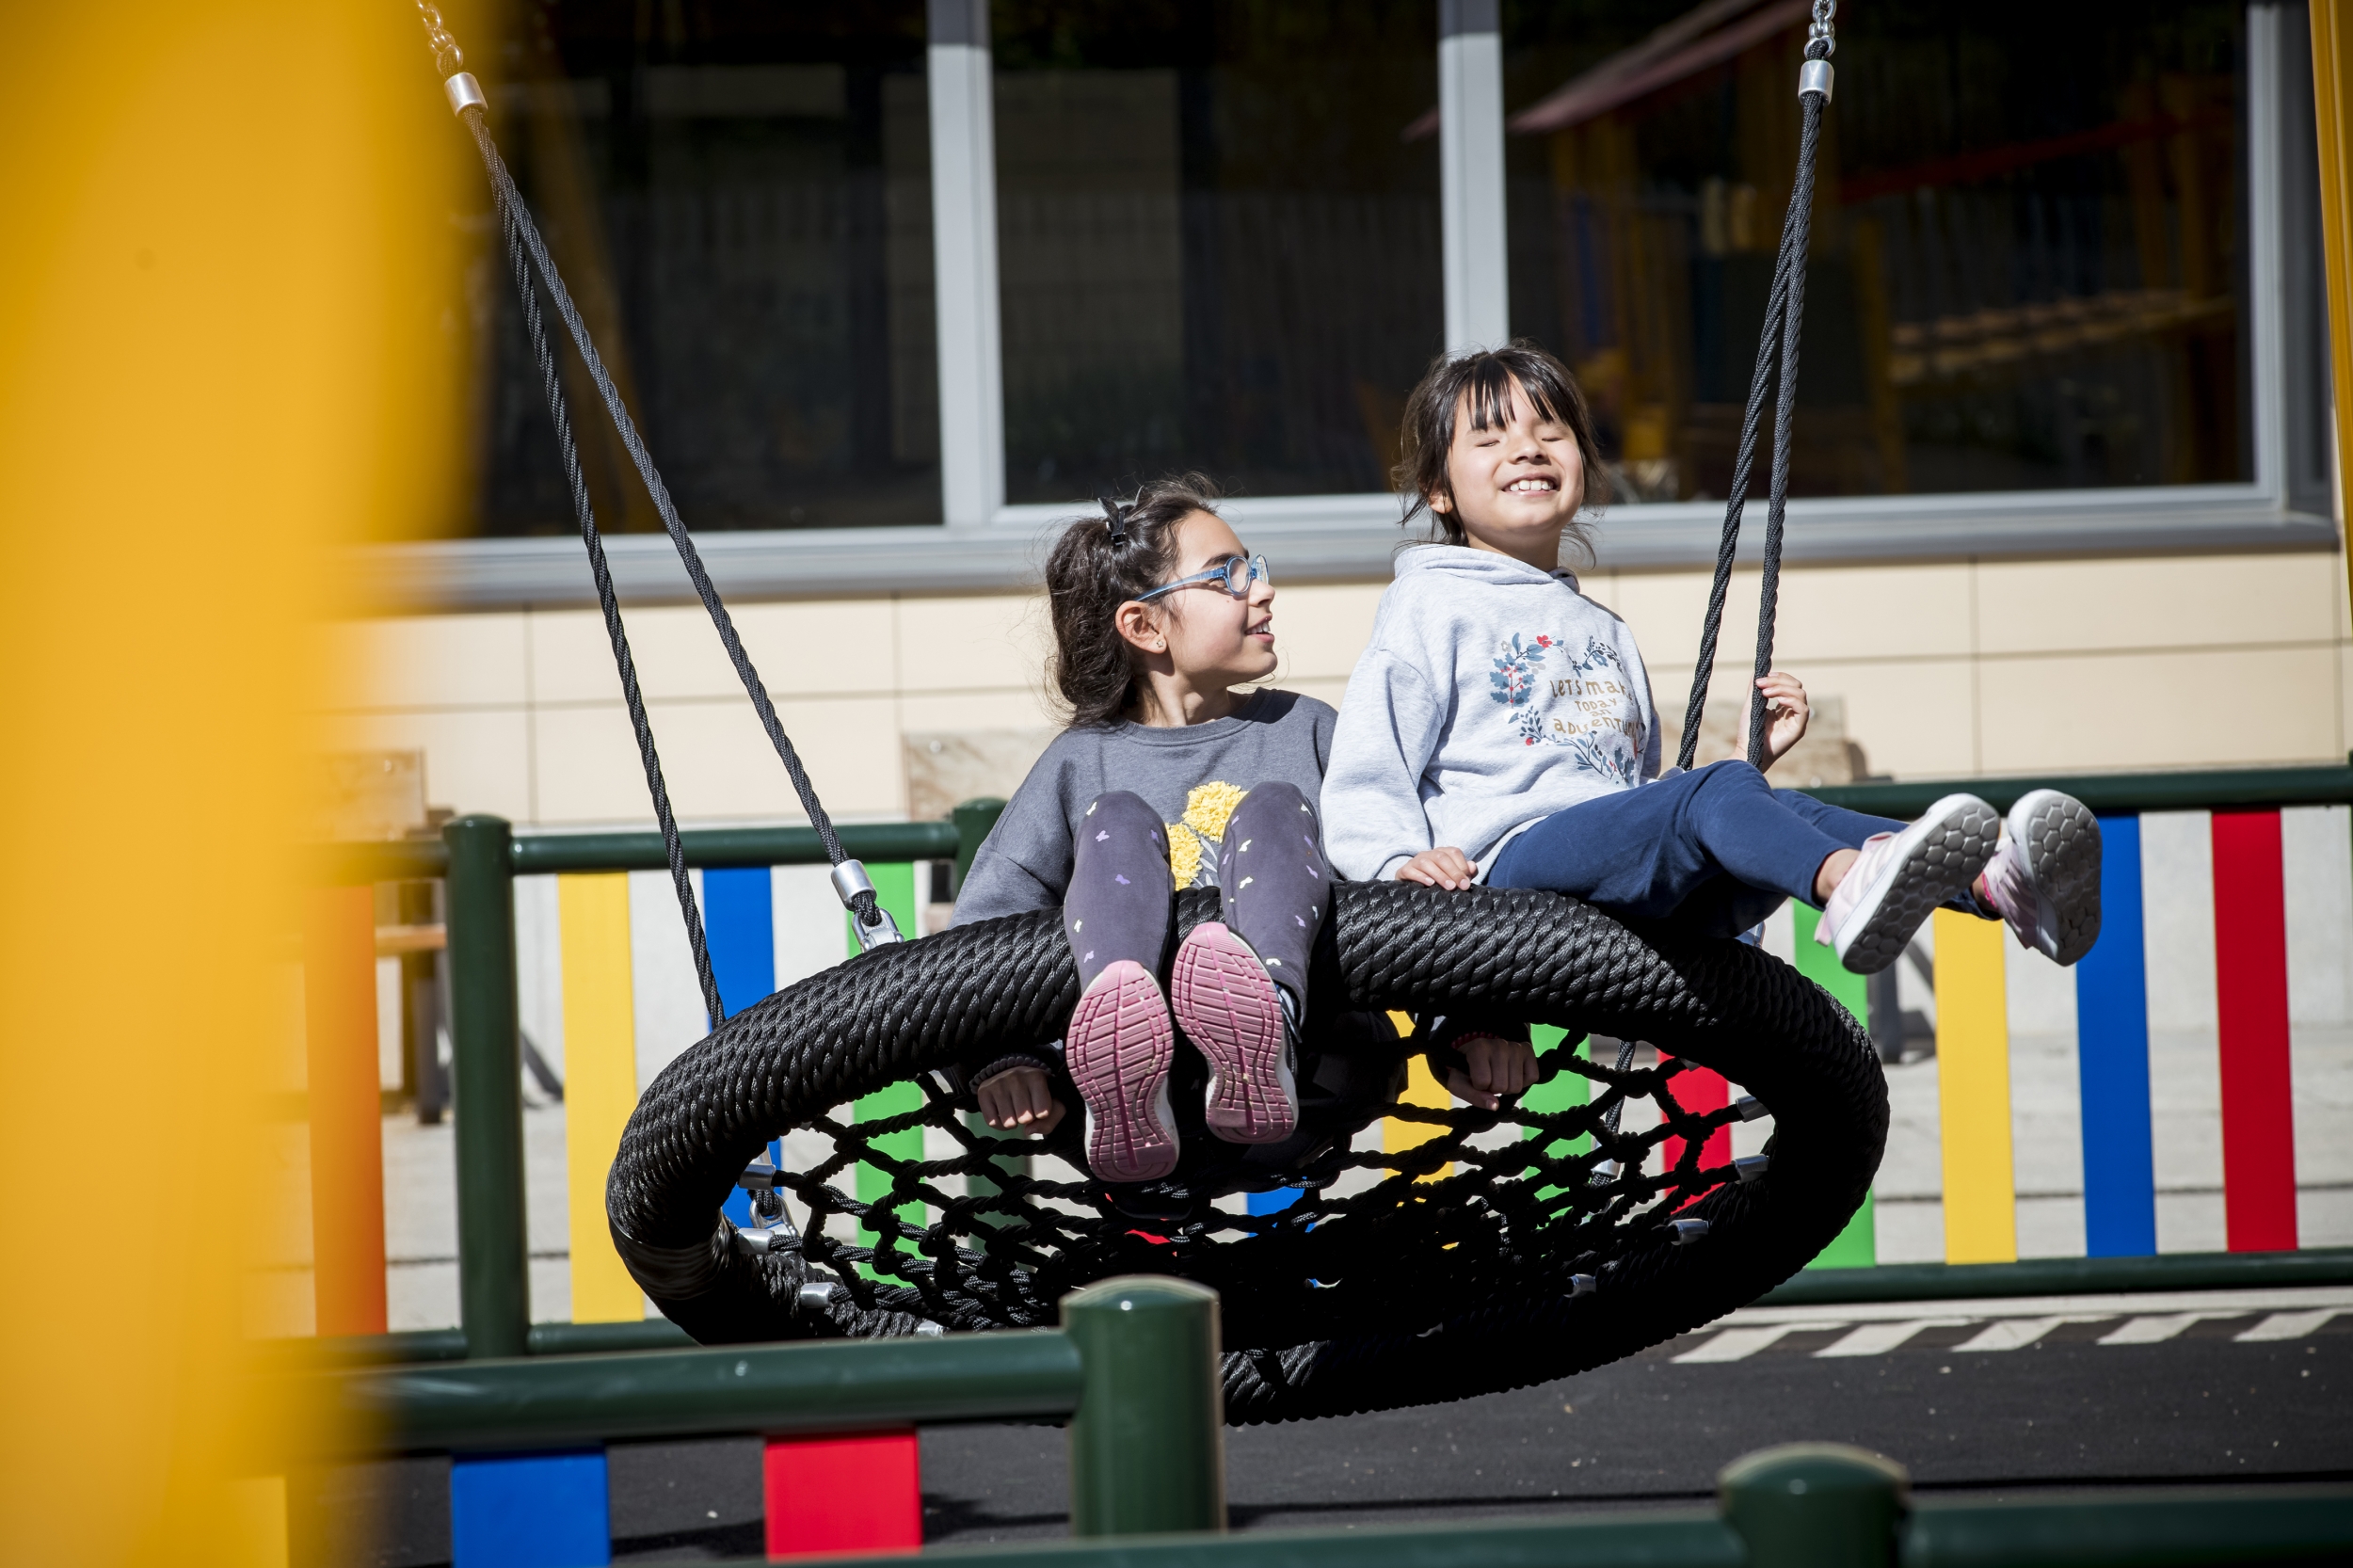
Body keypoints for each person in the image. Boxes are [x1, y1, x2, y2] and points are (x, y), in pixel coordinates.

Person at [1321, 343, 2101, 1082]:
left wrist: (1747, 771)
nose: (1526, 449)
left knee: (1787, 805)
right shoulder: (1431, 602)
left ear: (1583, 464)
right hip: (1508, 872)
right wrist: (1394, 866)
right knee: (1716, 792)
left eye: (1548, 430)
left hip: (1612, 887)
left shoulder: (1603, 628)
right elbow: (1367, 766)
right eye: (1490, 438)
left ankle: (1995, 884)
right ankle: (1848, 883)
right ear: (1439, 490)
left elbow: (1634, 800)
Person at [949, 476, 1336, 1183]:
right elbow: (983, 925)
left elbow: (1411, 888)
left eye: (1255, 567)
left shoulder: (1306, 732)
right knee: (1117, 821)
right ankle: (1126, 1058)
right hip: (1120, 1118)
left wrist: (1473, 1027)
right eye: (1228, 577)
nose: (1262, 588)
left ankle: (1268, 1028)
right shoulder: (1081, 763)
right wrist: (1004, 1058)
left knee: (1277, 809)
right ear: (1146, 626)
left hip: (1311, 1078)